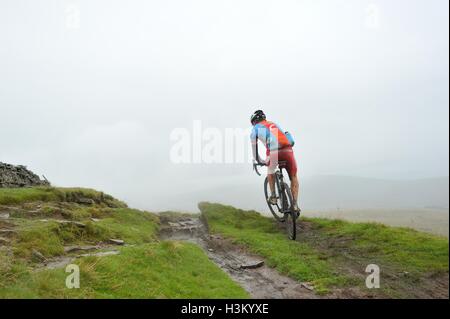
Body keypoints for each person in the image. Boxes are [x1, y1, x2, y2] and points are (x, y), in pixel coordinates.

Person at [250, 110, 300, 213]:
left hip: (273, 152)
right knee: (294, 177)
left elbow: (255, 152)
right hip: (288, 150)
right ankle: (294, 204)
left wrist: (260, 160)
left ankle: (273, 196)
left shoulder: (255, 129)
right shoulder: (274, 124)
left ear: (254, 121)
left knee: (270, 170)